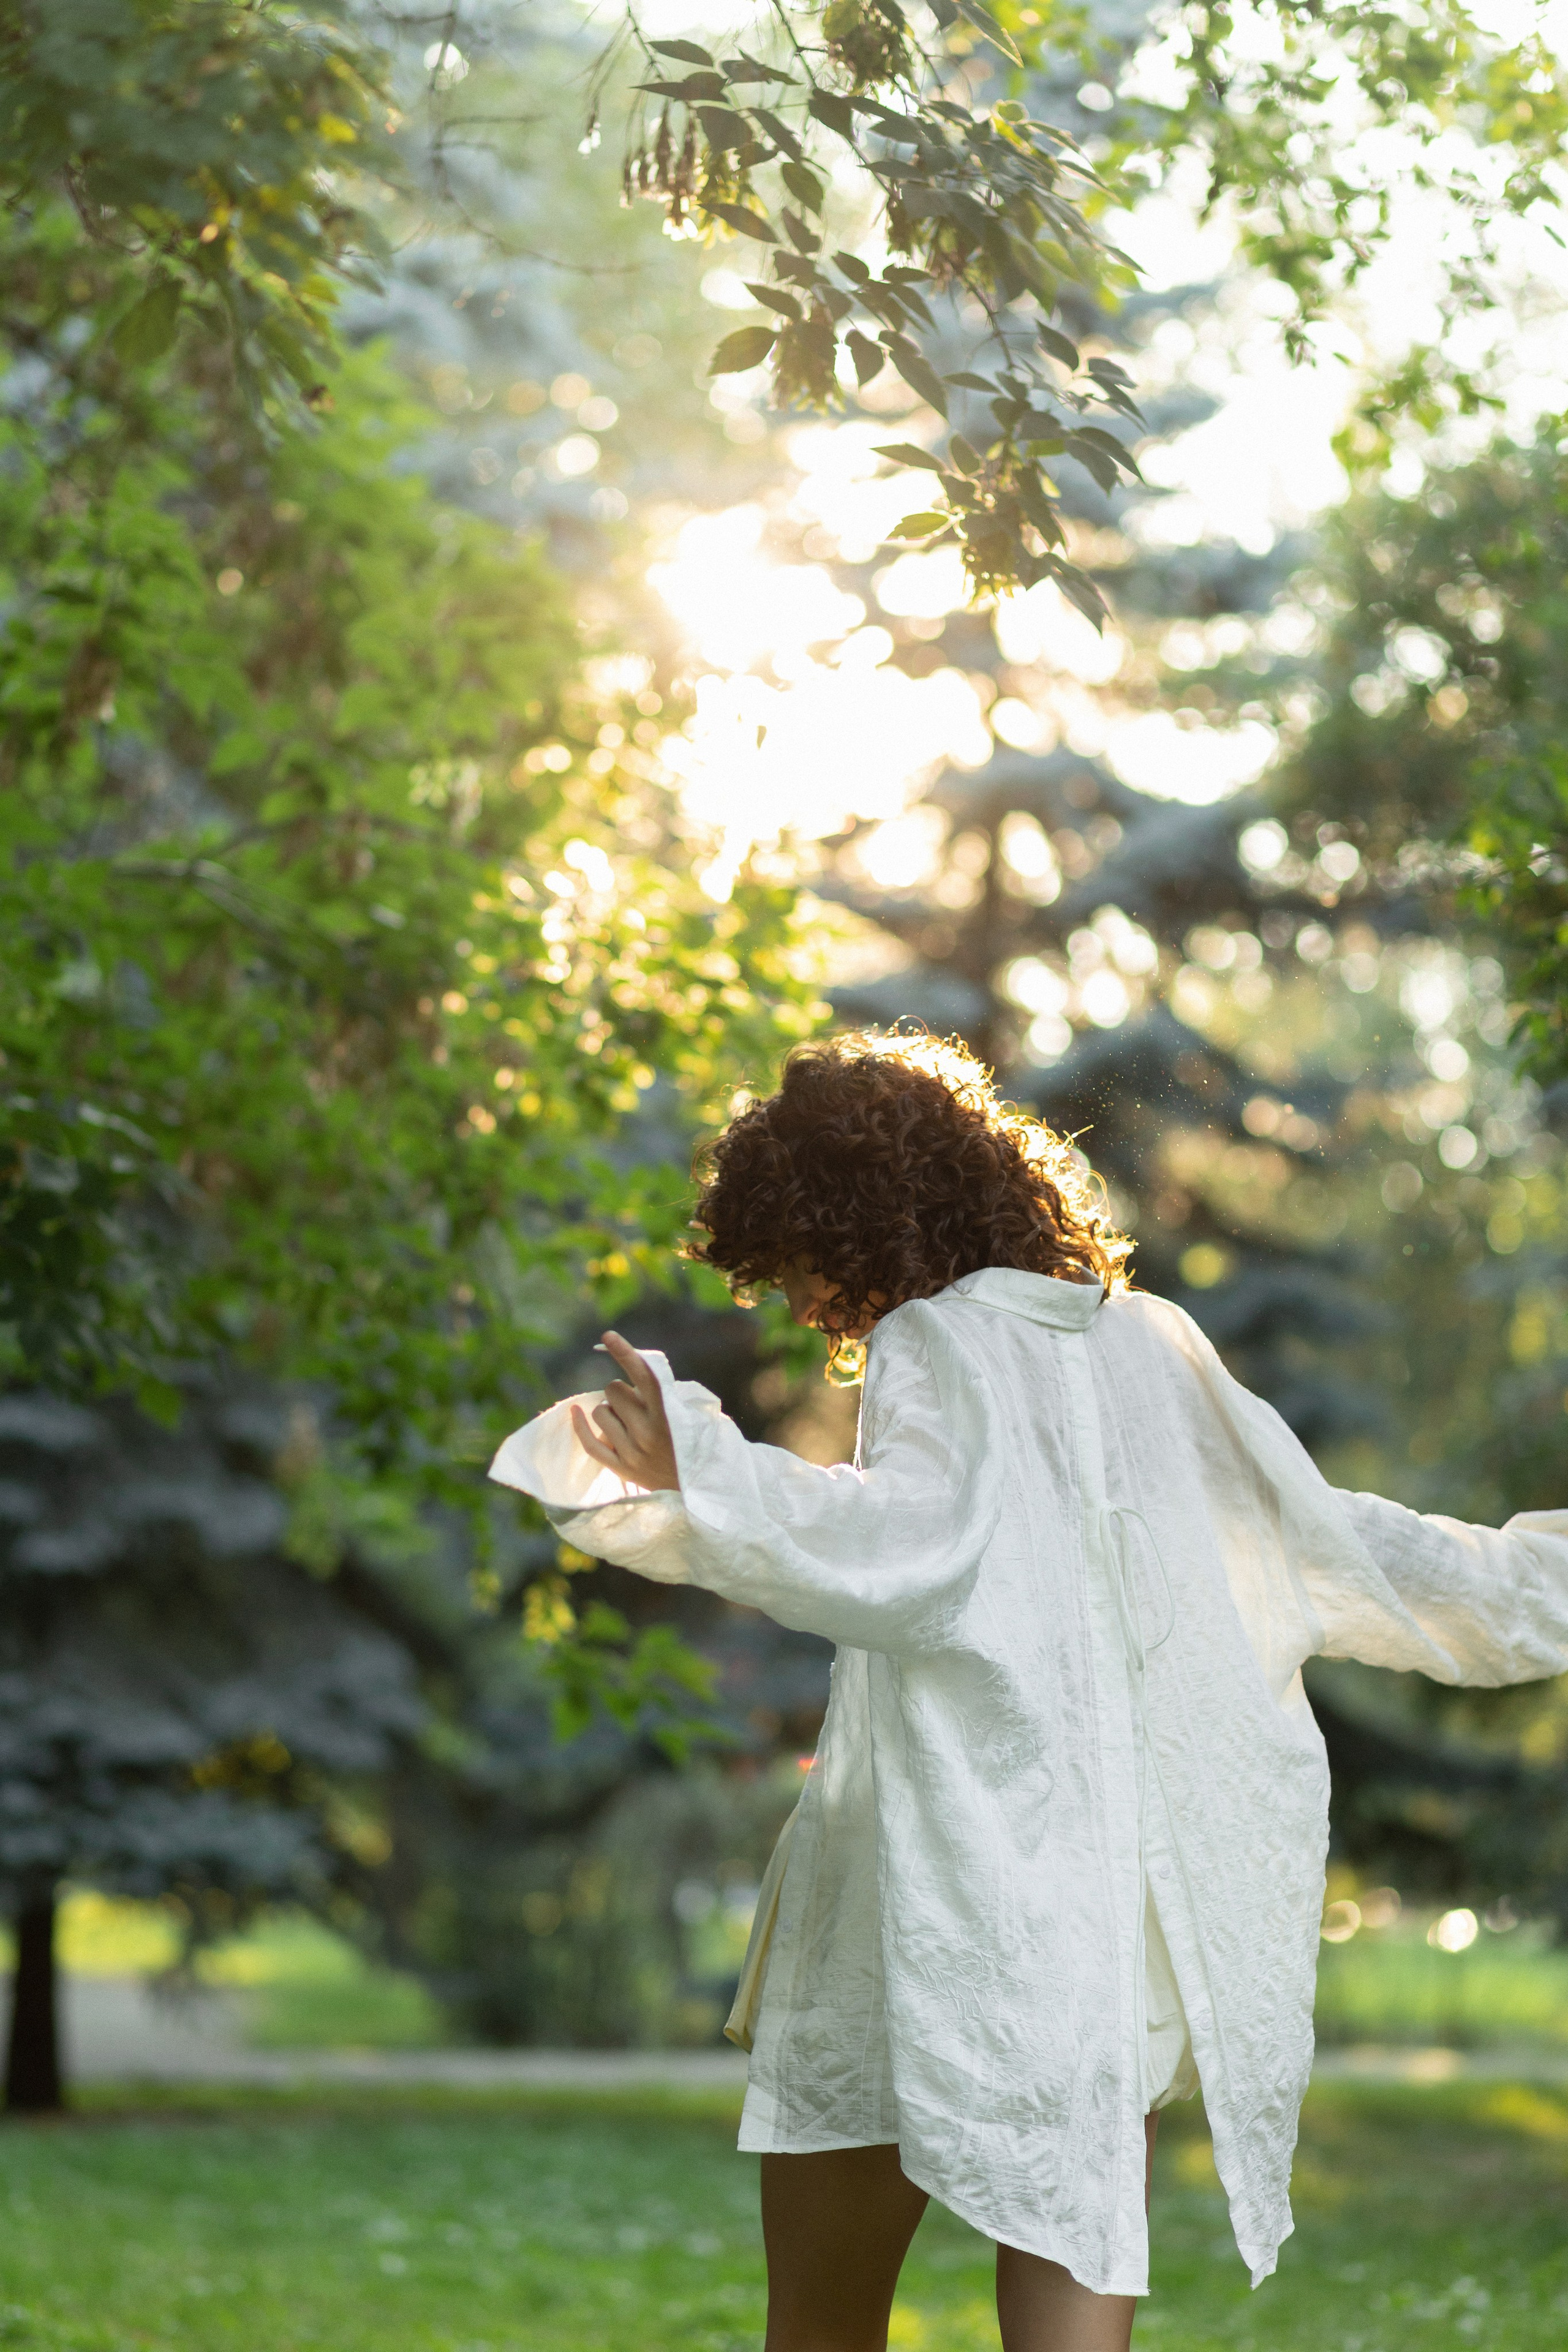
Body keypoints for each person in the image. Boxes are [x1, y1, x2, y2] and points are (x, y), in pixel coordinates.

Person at [489, 1031, 1568, 2352]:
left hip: (929, 1884)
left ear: (854, 1223)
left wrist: (697, 1470)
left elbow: (906, 1550)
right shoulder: (1155, 1345)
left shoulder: (938, 1340)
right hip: (1104, 1906)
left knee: (821, 2324)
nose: (804, 1301)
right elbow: (1336, 1542)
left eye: (796, 1260)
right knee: (1070, 2245)